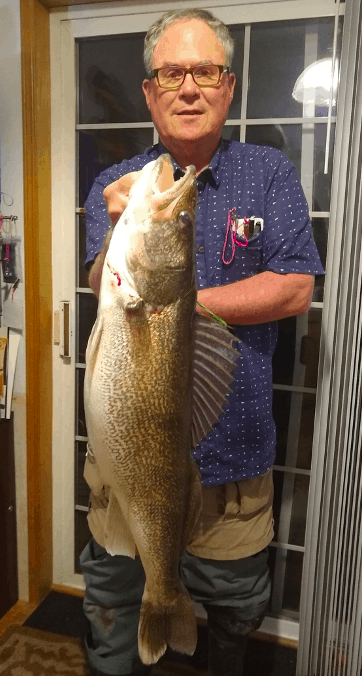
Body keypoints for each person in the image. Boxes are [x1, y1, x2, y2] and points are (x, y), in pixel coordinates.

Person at [81, 9, 324, 676]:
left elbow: (295, 287)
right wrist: (117, 233)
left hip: (235, 472)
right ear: (150, 90)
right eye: (171, 73)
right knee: (109, 632)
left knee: (231, 634)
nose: (189, 87)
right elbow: (104, 283)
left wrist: (176, 306)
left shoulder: (269, 173)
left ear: (230, 84)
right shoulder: (117, 185)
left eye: (206, 71)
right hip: (127, 472)